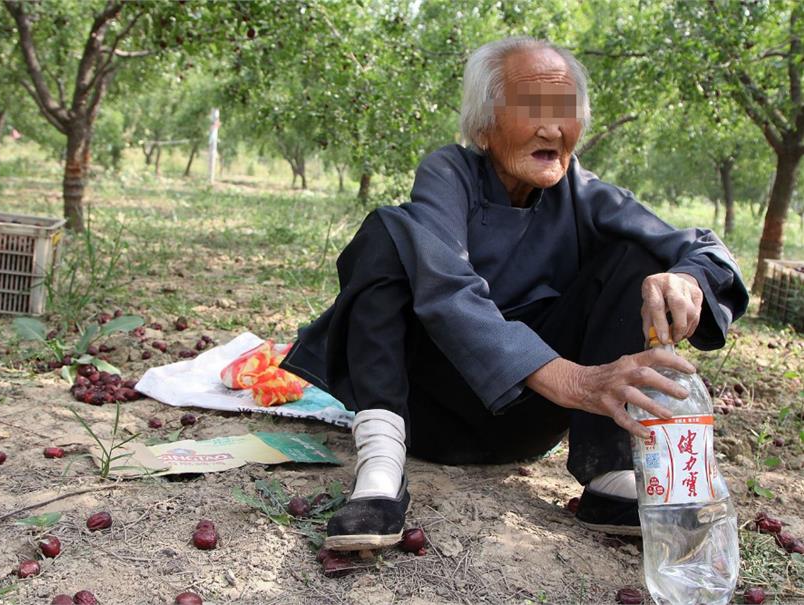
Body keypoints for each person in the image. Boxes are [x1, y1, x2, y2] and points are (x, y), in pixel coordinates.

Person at [278, 37, 748, 552]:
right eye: (531, 110)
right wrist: (572, 379)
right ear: (484, 128)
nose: (552, 128)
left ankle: (610, 476)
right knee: (392, 231)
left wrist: (688, 279)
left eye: (564, 111)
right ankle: (381, 469)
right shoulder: (449, 172)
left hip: (526, 422)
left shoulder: (583, 194)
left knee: (640, 255)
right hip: (426, 414)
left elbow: (704, 249)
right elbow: (447, 291)